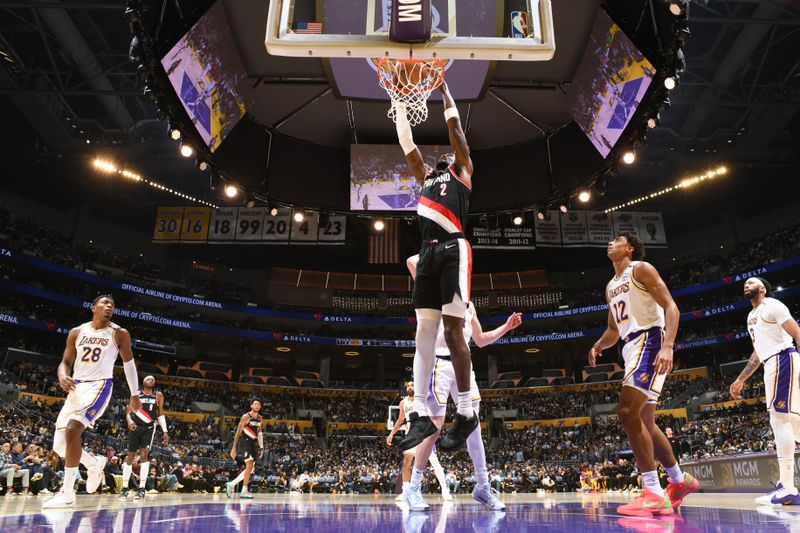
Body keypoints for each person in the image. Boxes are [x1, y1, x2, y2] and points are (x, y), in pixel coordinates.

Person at [394, 78, 477, 454]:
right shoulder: (425, 178)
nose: (442, 154)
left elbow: (457, 132)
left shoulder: (462, 171)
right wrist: (398, 103)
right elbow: (408, 146)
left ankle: (464, 412)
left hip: (453, 248)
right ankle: (420, 414)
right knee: (422, 333)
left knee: (455, 331)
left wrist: (445, 93)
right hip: (426, 252)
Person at [589, 233, 697, 517]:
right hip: (630, 346)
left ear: (630, 247)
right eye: (609, 241)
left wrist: (668, 345)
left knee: (627, 413)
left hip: (649, 341)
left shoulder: (641, 269)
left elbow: (671, 307)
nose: (609, 243)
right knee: (645, 421)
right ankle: (678, 480)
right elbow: (614, 330)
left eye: (616, 240)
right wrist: (600, 344)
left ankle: (652, 491)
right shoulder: (610, 285)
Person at [401, 253, 520, 511]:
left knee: (472, 424)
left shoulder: (469, 304)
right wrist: (442, 251)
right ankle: (413, 488)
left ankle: (482, 486)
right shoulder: (434, 294)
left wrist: (506, 328)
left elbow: (481, 339)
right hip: (439, 364)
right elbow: (412, 261)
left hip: (463, 367)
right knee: (435, 425)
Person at [43, 294, 141, 509]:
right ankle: (93, 463)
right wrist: (61, 376)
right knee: (60, 446)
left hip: (99, 386)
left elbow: (129, 364)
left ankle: (67, 492)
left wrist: (135, 394)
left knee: (72, 430)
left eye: (112, 305)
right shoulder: (77, 332)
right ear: (93, 307)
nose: (109, 307)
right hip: (76, 387)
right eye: (105, 303)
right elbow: (65, 362)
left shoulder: (119, 333)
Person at [730, 277, 800, 505]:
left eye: (750, 282)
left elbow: (797, 333)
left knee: (778, 419)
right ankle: (785, 485)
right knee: (793, 423)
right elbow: (757, 354)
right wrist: (740, 379)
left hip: (783, 358)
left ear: (762, 288)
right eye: (744, 284)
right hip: (771, 362)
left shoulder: (773, 305)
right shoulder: (751, 316)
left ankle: (788, 487)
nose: (745, 285)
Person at [386, 381, 450, 502]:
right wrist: (391, 434)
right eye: (408, 386)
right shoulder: (403, 403)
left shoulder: (423, 399)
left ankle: (445, 490)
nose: (410, 387)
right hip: (411, 435)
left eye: (412, 385)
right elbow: (400, 419)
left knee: (434, 462)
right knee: (406, 463)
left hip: (424, 434)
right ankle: (405, 492)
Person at [120, 375, 169, 500]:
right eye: (148, 378)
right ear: (143, 382)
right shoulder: (136, 395)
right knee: (130, 457)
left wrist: (165, 431)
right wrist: (129, 421)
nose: (151, 379)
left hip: (148, 428)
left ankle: (141, 489)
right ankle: (124, 488)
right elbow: (128, 412)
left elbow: (160, 414)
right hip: (135, 427)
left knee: (144, 456)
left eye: (153, 379)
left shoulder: (158, 395)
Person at [226, 399, 263, 499]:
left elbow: (259, 433)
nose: (257, 405)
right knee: (249, 464)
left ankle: (231, 484)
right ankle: (244, 490)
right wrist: (233, 448)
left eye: (258, 404)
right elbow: (238, 433)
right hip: (245, 442)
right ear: (251, 406)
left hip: (254, 444)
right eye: (255, 404)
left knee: (250, 469)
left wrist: (261, 446)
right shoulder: (245, 417)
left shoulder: (260, 418)